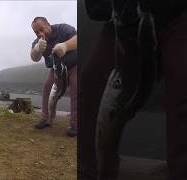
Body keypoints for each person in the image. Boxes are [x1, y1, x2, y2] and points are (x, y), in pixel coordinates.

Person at [81, 0, 187, 179]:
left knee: (182, 97)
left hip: (179, 14)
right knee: (91, 86)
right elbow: (95, 8)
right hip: (123, 24)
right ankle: (89, 170)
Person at [30, 17, 78, 137]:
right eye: (36, 32)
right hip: (56, 68)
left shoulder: (63, 29)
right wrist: (37, 50)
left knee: (75, 87)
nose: (40, 33)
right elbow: (34, 58)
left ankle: (75, 125)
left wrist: (65, 46)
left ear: (48, 24)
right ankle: (46, 119)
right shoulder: (38, 41)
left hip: (74, 65)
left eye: (42, 29)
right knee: (47, 87)